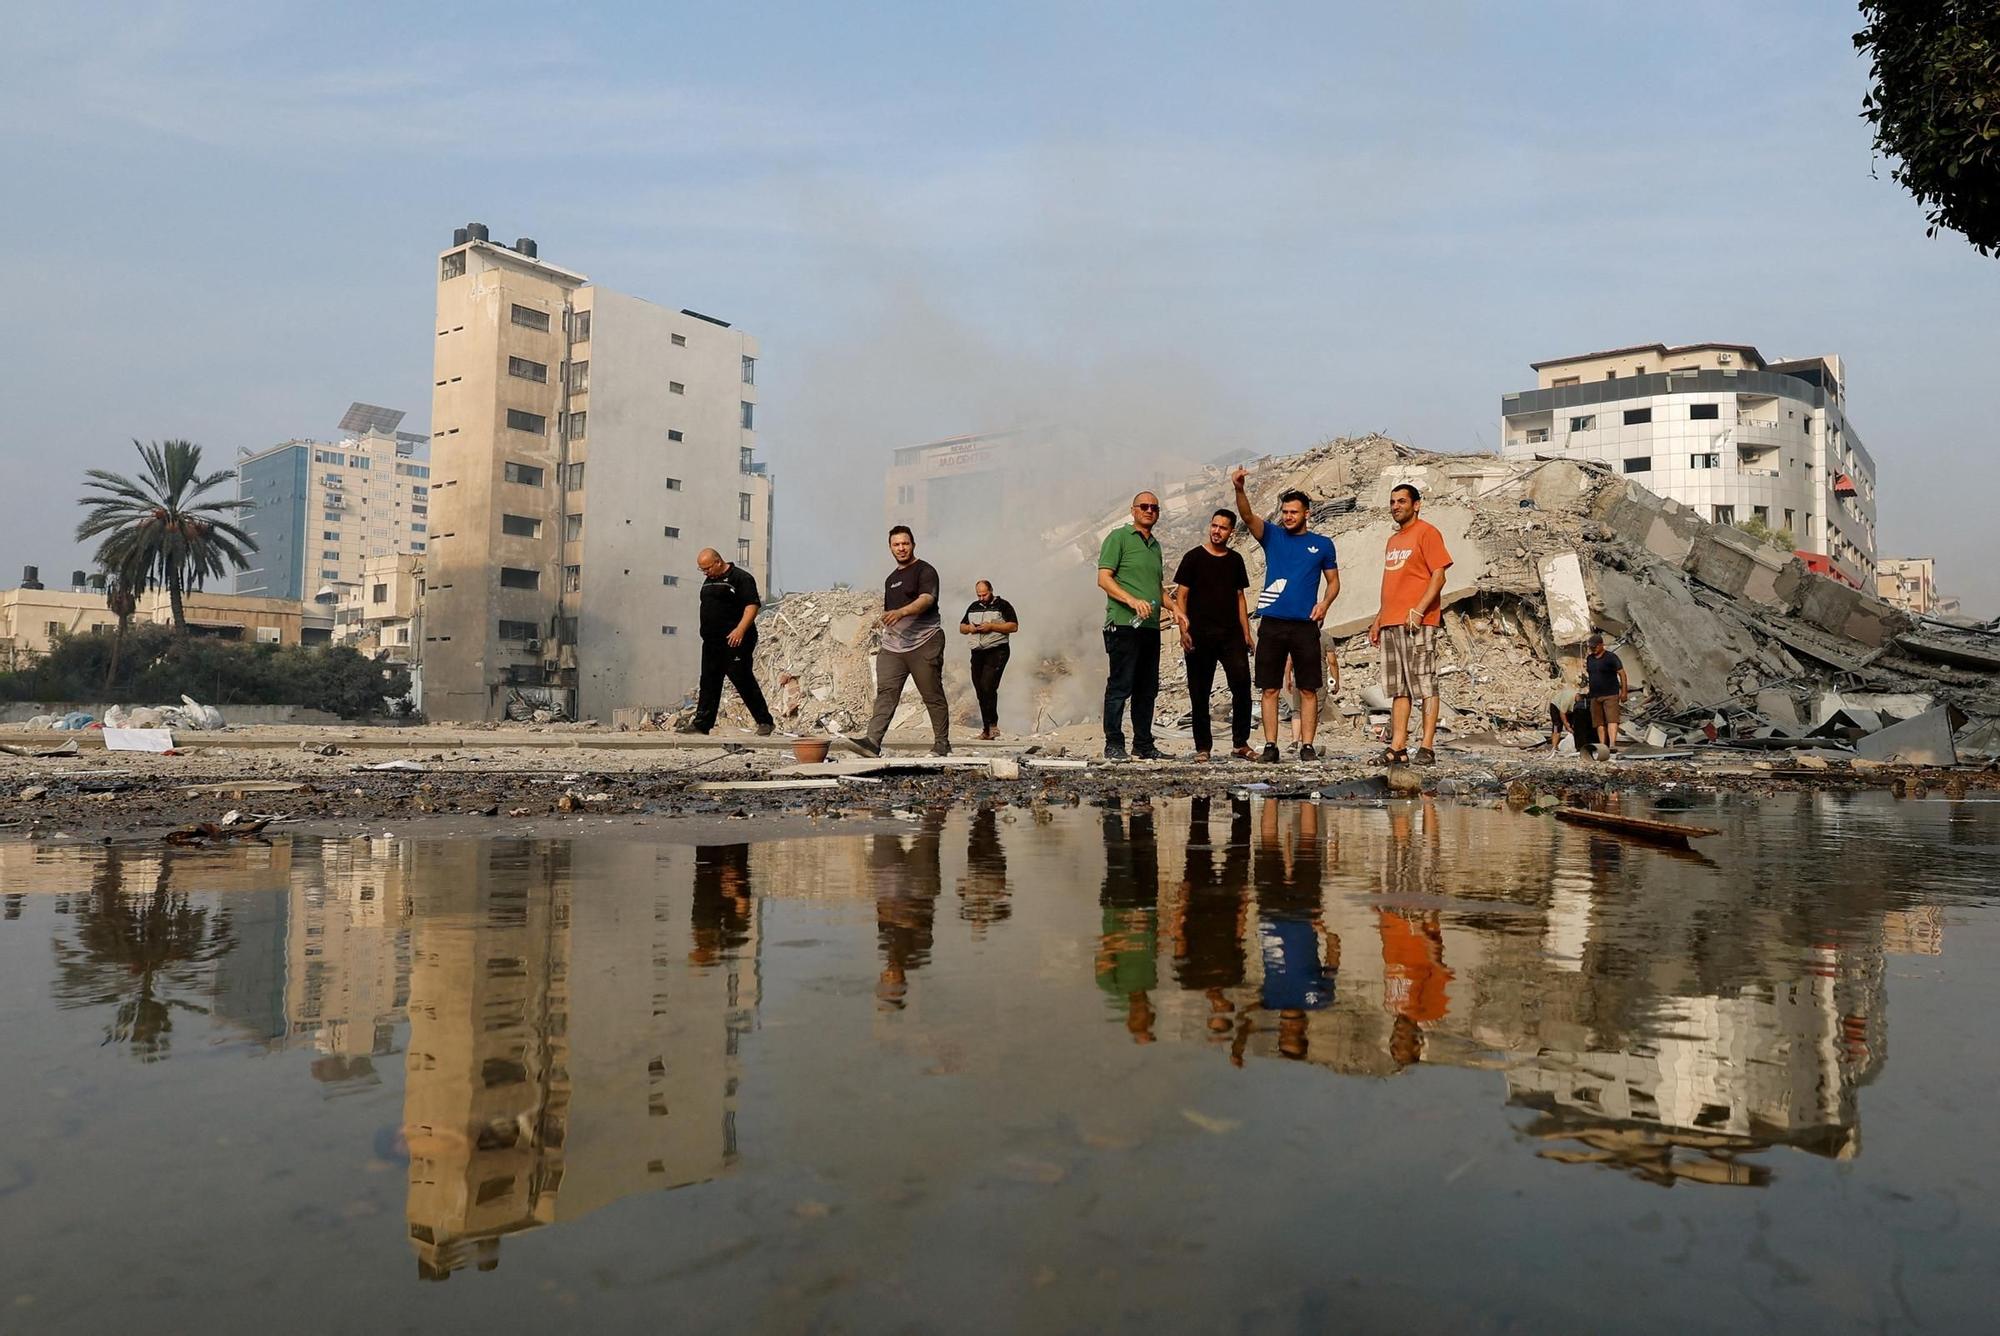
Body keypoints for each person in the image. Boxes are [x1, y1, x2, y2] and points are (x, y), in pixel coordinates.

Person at [1230, 467, 1340, 763]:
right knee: (1269, 687)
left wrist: (1325, 604)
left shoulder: (1323, 544)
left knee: (1307, 688)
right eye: (1285, 511)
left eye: (1294, 512)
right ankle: (1270, 746)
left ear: (1307, 513)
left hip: (1305, 625)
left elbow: (1334, 582)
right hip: (1273, 622)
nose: (1288, 516)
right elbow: (1248, 517)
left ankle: (1306, 745)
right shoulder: (1273, 537)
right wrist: (1240, 489)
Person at [1370, 483, 1452, 766]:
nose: (1396, 506)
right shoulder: (1393, 541)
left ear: (1416, 504)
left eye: (1402, 501)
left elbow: (1439, 576)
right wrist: (1379, 618)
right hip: (1392, 622)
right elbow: (1392, 583)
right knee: (1399, 689)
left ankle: (1426, 746)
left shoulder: (1427, 533)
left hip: (1418, 621)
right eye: (1392, 501)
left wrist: (1418, 610)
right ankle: (1398, 747)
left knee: (1426, 684)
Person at [851, 525, 950, 757]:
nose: (901, 548)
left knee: (932, 694)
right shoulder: (891, 580)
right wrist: (885, 621)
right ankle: (872, 742)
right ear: (890, 548)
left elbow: (926, 599)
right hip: (893, 646)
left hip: (924, 641)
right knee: (886, 691)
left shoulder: (925, 571)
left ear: (913, 545)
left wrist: (902, 612)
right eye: (896, 545)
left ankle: (941, 744)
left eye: (905, 543)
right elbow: (891, 612)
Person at [1169, 508, 1255, 761]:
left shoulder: (1235, 560)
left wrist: (1246, 633)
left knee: (1241, 687)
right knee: (1199, 692)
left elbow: (1240, 597)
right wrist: (1183, 630)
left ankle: (1240, 743)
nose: (1218, 531)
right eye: (1214, 526)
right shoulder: (1193, 558)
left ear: (1231, 531)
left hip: (1231, 635)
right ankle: (1203, 747)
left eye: (1223, 528)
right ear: (1210, 526)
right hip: (1199, 635)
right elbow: (1181, 596)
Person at [1096, 491, 1170, 761]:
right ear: (1133, 510)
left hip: (1150, 627)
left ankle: (1143, 743)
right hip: (1123, 624)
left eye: (1154, 507)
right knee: (1120, 685)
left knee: (1147, 689)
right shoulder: (1118, 538)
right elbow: (1104, 579)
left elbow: (1157, 588)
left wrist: (1180, 611)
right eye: (1144, 506)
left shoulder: (1156, 546)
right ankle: (1114, 743)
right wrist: (1131, 600)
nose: (1149, 511)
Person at [678, 548, 775, 736]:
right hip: (712, 642)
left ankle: (765, 721)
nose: (705, 572)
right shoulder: (709, 581)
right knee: (709, 681)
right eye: (701, 570)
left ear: (718, 562)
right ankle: (702, 724)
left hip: (735, 640)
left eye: (706, 568)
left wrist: (740, 630)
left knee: (742, 679)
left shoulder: (741, 578)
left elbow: (752, 606)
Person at [957, 580, 1020, 740]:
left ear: (991, 590)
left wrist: (991, 627)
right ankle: (986, 729)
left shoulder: (1003, 605)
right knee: (980, 689)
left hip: (997, 650)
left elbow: (1013, 626)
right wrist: (970, 628)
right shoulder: (973, 607)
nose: (981, 598)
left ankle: (993, 725)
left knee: (988, 686)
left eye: (984, 594)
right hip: (977, 651)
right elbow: (962, 627)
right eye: (979, 595)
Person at [1585, 631, 1630, 757]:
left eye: (1594, 647)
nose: (1592, 649)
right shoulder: (1590, 659)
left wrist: (1624, 691)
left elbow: (1622, 674)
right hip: (1595, 695)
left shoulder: (1611, 657)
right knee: (1598, 722)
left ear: (1601, 645)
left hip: (1610, 693)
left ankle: (1612, 744)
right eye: (1591, 647)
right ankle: (1602, 745)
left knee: (1612, 719)